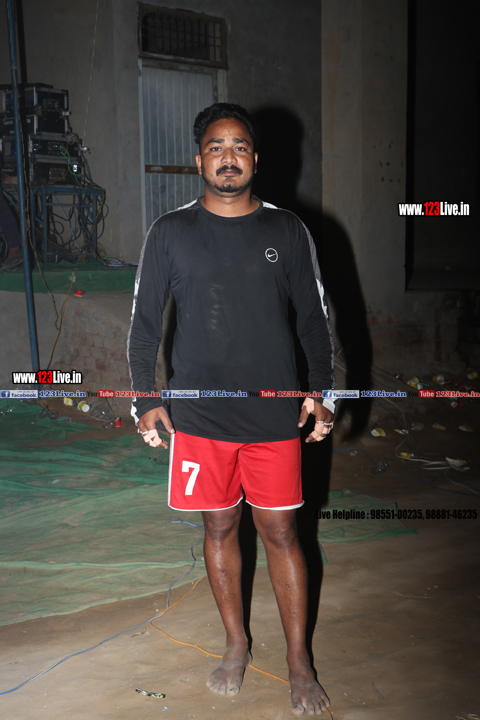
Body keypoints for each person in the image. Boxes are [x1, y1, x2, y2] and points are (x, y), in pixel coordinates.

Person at [128, 103, 336, 716]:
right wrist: (146, 399)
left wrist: (321, 393)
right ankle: (236, 644)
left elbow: (315, 320)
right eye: (216, 147)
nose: (228, 157)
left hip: (273, 416)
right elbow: (144, 323)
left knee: (281, 532)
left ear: (255, 159)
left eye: (239, 146)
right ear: (199, 160)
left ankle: (299, 660)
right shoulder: (169, 232)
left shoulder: (287, 230)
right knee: (218, 528)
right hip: (200, 417)